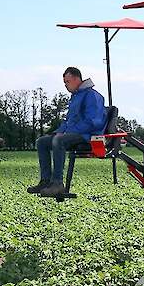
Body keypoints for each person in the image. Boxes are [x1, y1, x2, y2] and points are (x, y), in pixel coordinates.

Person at [29, 67, 106, 197]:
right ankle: (46, 182)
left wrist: (66, 133)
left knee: (59, 140)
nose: (65, 85)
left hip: (89, 136)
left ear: (77, 79)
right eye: (64, 82)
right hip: (74, 134)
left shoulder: (93, 96)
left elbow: (93, 121)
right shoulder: (76, 97)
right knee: (42, 142)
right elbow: (68, 121)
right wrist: (59, 132)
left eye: (67, 82)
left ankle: (57, 184)